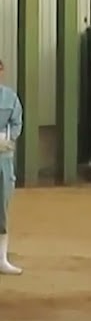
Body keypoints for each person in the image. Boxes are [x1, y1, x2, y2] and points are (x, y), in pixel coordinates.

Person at [0, 57, 23, 275]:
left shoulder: (10, 97)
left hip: (3, 159)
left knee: (2, 207)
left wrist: (7, 138)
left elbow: (17, 122)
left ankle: (2, 259)